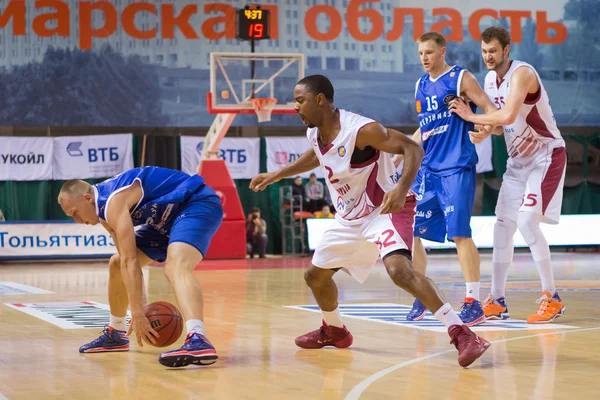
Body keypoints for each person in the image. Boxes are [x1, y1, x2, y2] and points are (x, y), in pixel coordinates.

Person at [250, 74, 490, 368]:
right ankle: (335, 330)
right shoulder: (315, 132)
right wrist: (277, 174)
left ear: (320, 100)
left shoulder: (361, 130)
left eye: (300, 100)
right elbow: (317, 155)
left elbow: (413, 149)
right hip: (350, 216)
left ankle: (463, 334)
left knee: (399, 270)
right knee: (315, 277)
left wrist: (401, 190)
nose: (295, 107)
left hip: (385, 208)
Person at [449, 26, 566, 324]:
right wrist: (485, 129)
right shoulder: (490, 78)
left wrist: (471, 116)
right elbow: (501, 126)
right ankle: (497, 300)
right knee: (502, 226)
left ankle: (552, 297)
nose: (488, 56)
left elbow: (509, 115)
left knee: (527, 221)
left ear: (506, 50)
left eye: (493, 51)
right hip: (518, 161)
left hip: (545, 154)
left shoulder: (522, 74)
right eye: (484, 51)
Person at [57, 166, 223, 367]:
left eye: (75, 213)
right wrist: (141, 310)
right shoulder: (104, 213)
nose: (77, 221)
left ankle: (198, 338)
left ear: (87, 198)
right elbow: (128, 264)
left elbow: (132, 262)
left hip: (195, 203)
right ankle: (117, 334)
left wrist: (136, 313)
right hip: (164, 221)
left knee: (175, 267)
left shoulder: (113, 202)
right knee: (117, 263)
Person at [395, 32, 499, 325]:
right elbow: (425, 128)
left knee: (459, 234)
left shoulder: (460, 78)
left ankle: (473, 301)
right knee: (415, 233)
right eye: (420, 54)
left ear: (442, 52)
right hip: (428, 169)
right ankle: (423, 294)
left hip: (456, 166)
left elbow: (492, 111)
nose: (424, 58)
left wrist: (482, 127)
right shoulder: (420, 85)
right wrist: (403, 150)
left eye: (428, 52)